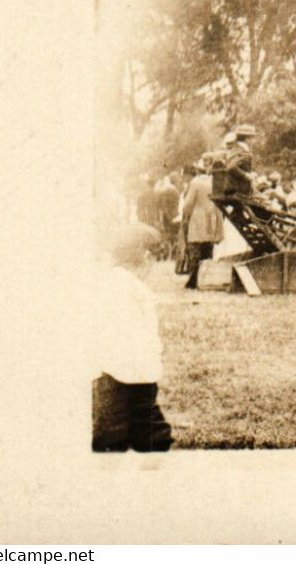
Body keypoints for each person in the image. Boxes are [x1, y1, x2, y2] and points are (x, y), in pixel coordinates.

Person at [93, 221, 172, 453]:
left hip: (123, 374)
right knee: (116, 435)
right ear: (146, 256)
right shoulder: (131, 290)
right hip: (125, 376)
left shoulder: (112, 283)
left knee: (144, 434)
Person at [177, 159, 224, 288]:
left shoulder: (195, 183)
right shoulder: (214, 181)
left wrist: (185, 214)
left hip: (198, 218)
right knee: (208, 248)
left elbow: (188, 204)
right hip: (212, 217)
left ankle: (194, 280)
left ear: (197, 170)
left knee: (195, 249)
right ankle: (207, 279)